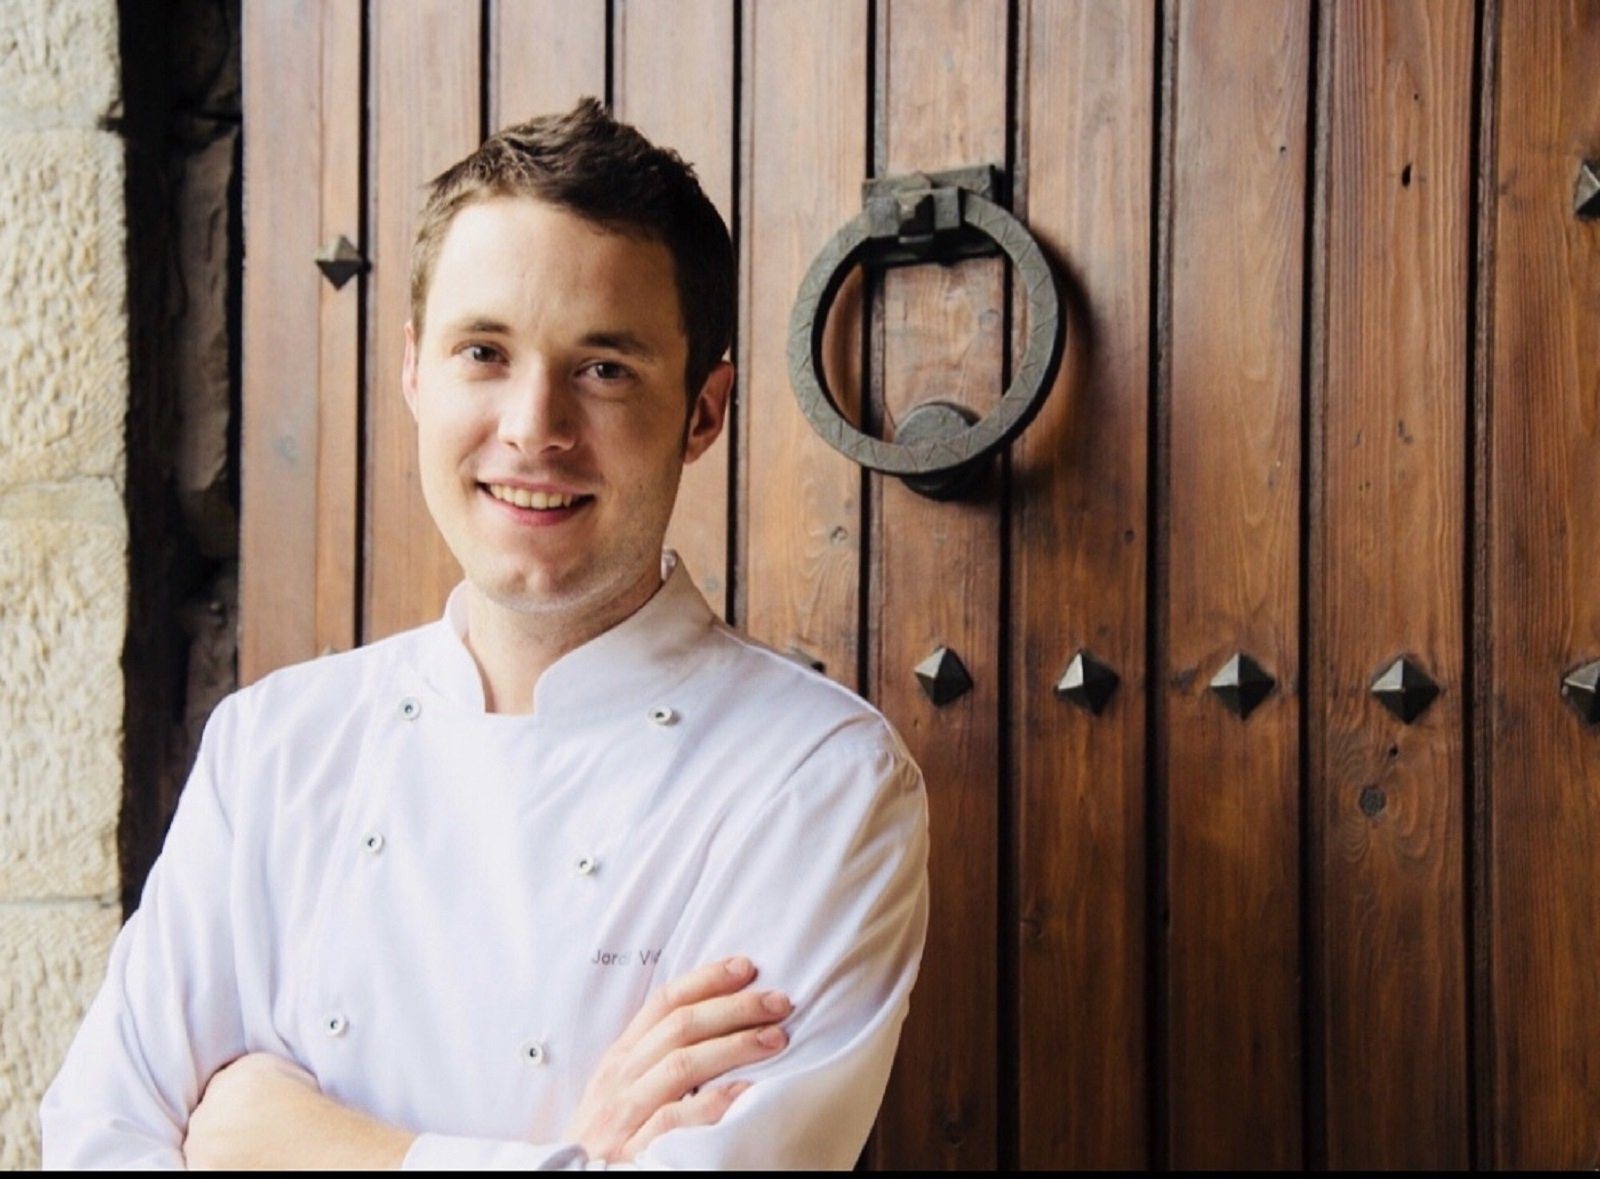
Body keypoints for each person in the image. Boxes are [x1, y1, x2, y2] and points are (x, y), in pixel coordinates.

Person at [40, 98, 928, 1170]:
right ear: (415, 370)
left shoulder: (816, 780)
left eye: (604, 367)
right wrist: (568, 1159)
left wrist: (284, 1143)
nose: (532, 427)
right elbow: (95, 1143)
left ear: (704, 410)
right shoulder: (272, 748)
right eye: (483, 352)